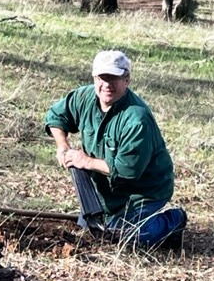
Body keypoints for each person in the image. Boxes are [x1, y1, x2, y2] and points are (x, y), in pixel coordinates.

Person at [44, 49, 187, 248]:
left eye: (114, 78)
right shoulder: (84, 97)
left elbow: (127, 171)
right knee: (94, 233)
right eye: (102, 78)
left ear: (126, 80)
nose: (107, 85)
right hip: (106, 194)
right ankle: (115, 219)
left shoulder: (137, 119)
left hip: (143, 192)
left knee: (124, 239)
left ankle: (173, 220)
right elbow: (56, 117)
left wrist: (86, 161)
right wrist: (62, 145)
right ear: (94, 78)